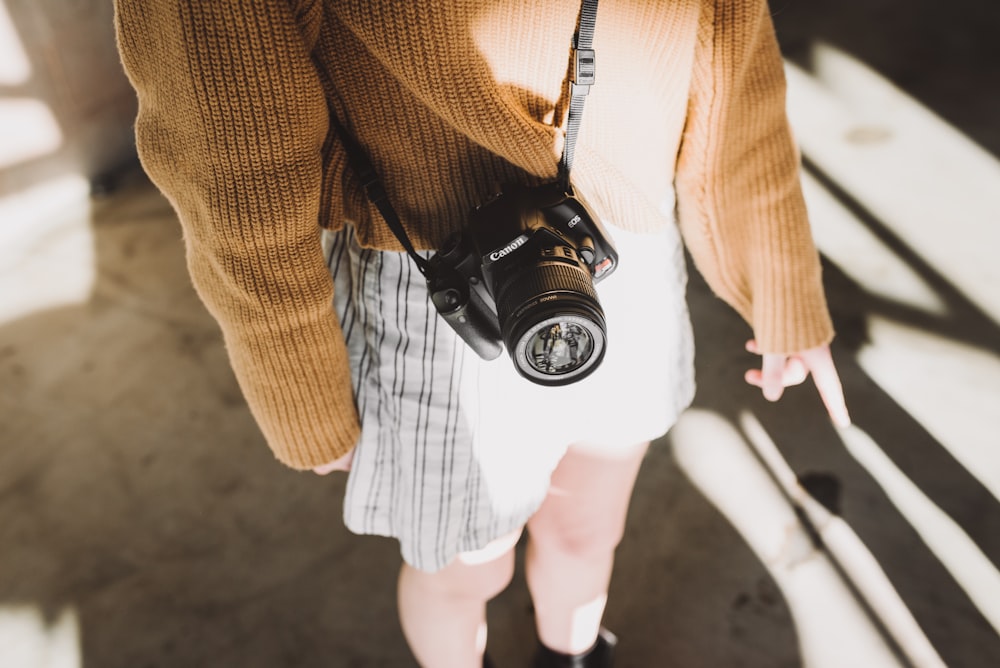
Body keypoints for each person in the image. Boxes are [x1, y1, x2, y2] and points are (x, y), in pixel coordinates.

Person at [114, 1, 850, 666]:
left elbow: (731, 50)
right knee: (466, 565)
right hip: (436, 280)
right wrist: (299, 385)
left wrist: (777, 278)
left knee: (587, 530)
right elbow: (233, 160)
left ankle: (574, 656)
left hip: (620, 242)